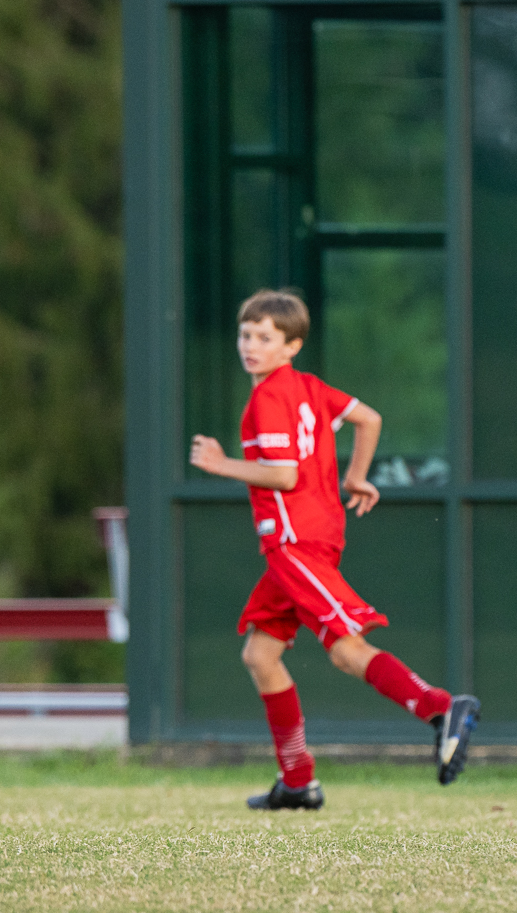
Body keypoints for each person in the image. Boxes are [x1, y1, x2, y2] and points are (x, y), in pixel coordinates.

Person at [190, 290, 480, 809]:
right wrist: (357, 476)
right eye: (245, 334)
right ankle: (298, 780)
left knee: (347, 651)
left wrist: (220, 464)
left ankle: (442, 709)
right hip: (308, 539)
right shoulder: (308, 388)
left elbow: (283, 473)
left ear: (291, 345)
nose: (250, 346)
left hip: (295, 543)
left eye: (264, 338)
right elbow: (368, 419)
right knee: (261, 655)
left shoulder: (269, 397)